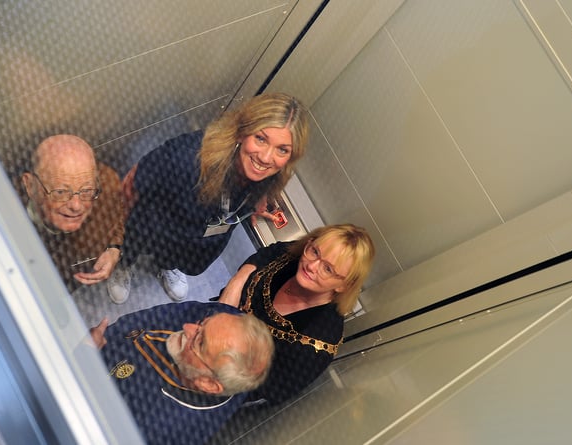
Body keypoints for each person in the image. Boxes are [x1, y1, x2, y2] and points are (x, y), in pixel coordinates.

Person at [111, 92, 310, 302]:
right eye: (260, 138)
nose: (266, 157)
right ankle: (124, 264)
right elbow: (134, 182)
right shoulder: (189, 156)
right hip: (157, 221)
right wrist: (115, 242)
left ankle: (166, 265)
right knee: (136, 241)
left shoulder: (273, 174)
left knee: (176, 255)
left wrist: (255, 204)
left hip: (200, 234)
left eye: (282, 150)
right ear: (242, 132)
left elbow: (257, 192)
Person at [219, 224, 375, 404]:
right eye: (315, 251)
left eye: (328, 269)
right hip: (212, 320)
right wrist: (237, 282)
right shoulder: (298, 256)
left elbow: (267, 390)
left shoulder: (316, 346)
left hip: (223, 382)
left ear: (343, 285)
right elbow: (268, 253)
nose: (311, 266)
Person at [88, 301, 274, 445]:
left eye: (200, 342)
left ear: (207, 384)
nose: (187, 327)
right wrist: (110, 336)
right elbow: (151, 318)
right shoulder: (226, 323)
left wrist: (84, 358)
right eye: (202, 323)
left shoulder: (158, 428)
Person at [19, 135, 127, 299]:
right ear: (30, 185)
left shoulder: (108, 185)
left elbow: (117, 214)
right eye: (61, 192)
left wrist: (114, 249)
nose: (76, 206)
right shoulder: (2, 213)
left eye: (86, 191)